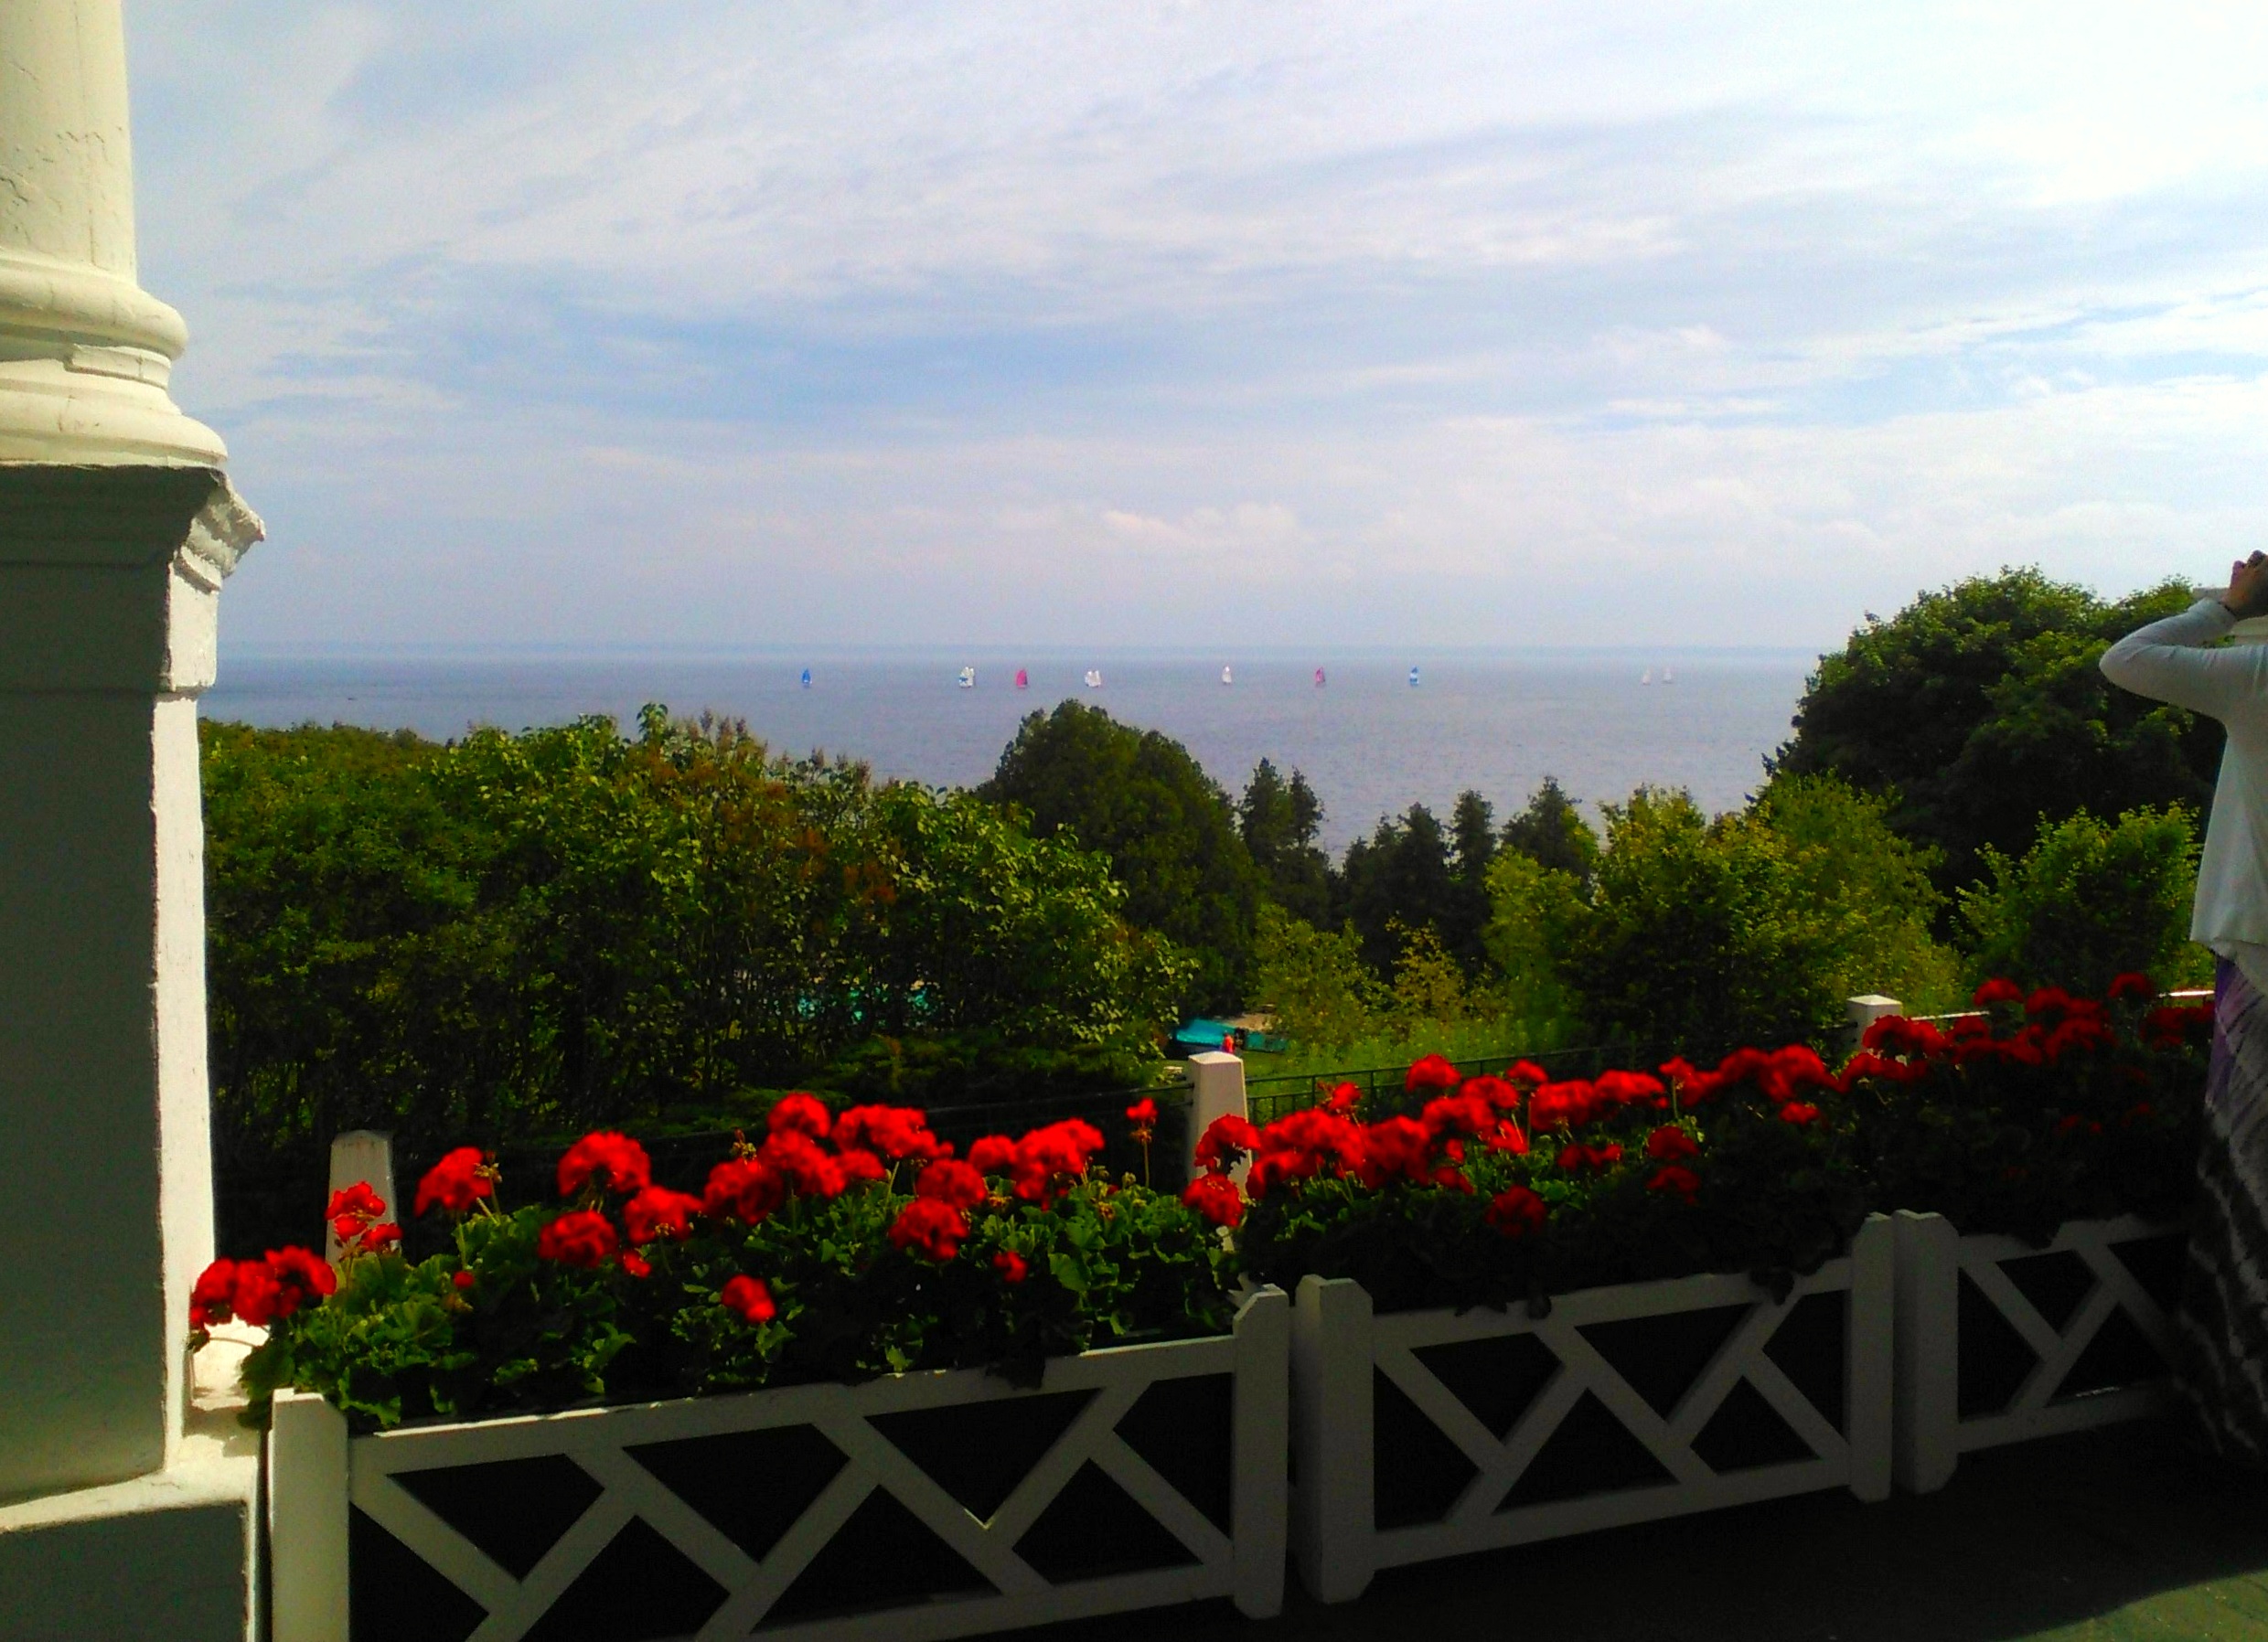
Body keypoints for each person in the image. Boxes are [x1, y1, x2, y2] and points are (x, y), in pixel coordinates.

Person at [2100, 550, 2268, 1466]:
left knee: (2253, 1185)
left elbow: (2123, 659)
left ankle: (2242, 1413)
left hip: (2260, 953)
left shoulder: (2251, 672)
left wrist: (2223, 604)